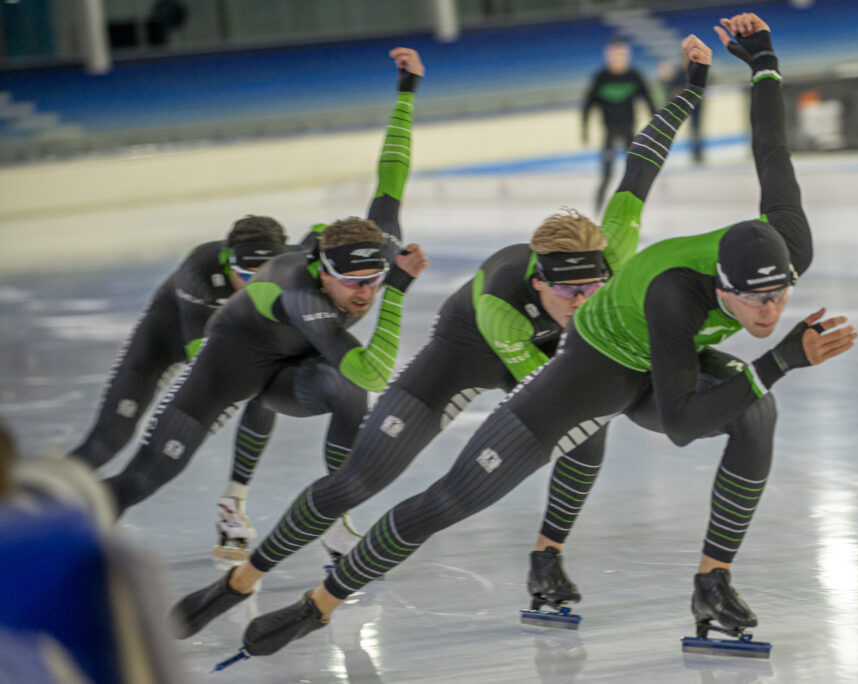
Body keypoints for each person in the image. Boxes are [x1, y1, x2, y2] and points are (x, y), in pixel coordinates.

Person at [226, 15, 858, 657]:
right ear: (719, 285)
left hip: (657, 356)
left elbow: (763, 154)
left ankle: (711, 583)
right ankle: (323, 600)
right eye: (753, 301)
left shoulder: (778, 245)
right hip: (598, 362)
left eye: (780, 296)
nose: (769, 312)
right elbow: (681, 424)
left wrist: (759, 65)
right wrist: (779, 359)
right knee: (454, 498)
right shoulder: (672, 292)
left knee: (756, 413)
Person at [168, 36, 713, 642]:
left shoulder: (614, 247)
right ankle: (242, 578)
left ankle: (546, 555)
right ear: (538, 279)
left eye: (595, 289)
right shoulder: (500, 300)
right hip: (465, 352)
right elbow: (548, 389)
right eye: (569, 291)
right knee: (358, 481)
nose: (584, 302)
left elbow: (642, 162)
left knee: (589, 435)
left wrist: (691, 87)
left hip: (534, 355)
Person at [101, 47, 430, 519]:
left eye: (374, 280)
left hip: (289, 366)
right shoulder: (300, 292)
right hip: (227, 368)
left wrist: (407, 92)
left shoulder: (379, 247)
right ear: (323, 272)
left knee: (347, 391)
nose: (365, 293)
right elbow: (373, 372)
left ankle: (334, 515)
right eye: (351, 283)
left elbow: (392, 172)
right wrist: (395, 292)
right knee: (144, 478)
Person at [68, 216, 290, 471]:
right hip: (163, 341)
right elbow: (202, 360)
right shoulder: (200, 268)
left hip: (223, 346)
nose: (255, 285)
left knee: (159, 463)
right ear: (228, 260)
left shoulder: (291, 269)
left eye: (266, 274)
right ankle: (41, 489)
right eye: (245, 274)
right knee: (108, 440)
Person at [582, 37, 655, 215]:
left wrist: (656, 129)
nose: (619, 58)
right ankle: (597, 213)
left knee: (635, 173)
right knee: (606, 174)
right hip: (610, 131)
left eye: (623, 54)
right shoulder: (601, 78)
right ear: (608, 55)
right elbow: (587, 106)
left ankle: (632, 213)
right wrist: (584, 131)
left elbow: (649, 102)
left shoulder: (634, 76)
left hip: (630, 131)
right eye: (615, 54)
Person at [658, 48, 705, 164]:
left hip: (696, 105)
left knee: (696, 128)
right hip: (681, 107)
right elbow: (670, 92)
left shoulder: (697, 72)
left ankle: (697, 153)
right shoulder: (678, 75)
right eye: (685, 59)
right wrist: (665, 81)